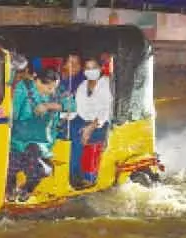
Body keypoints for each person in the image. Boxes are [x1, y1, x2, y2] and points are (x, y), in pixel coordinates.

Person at [6, 68, 63, 203]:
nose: (52, 91)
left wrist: (49, 105)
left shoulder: (54, 92)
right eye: (49, 88)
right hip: (18, 137)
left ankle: (28, 188)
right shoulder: (23, 88)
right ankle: (10, 189)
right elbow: (14, 114)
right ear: (37, 81)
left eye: (54, 88)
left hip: (40, 141)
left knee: (37, 167)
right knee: (11, 165)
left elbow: (70, 104)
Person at [70, 58, 113, 188]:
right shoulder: (82, 85)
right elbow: (76, 107)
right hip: (82, 119)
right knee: (62, 131)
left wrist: (91, 127)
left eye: (93, 67)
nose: (90, 71)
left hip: (100, 122)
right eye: (87, 68)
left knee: (79, 135)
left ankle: (78, 175)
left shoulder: (106, 84)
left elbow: (106, 110)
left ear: (100, 69)